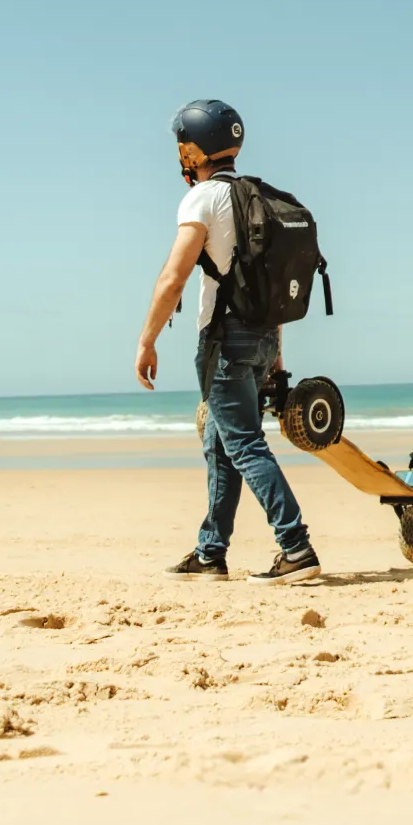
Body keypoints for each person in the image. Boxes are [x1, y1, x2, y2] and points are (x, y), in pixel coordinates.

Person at [132, 100, 317, 580]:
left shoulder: (203, 199)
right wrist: (276, 359)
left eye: (181, 147)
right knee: (221, 445)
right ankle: (210, 553)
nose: (179, 156)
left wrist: (146, 341)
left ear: (194, 149)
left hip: (224, 343)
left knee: (246, 446)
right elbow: (269, 288)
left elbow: (173, 278)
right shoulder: (255, 195)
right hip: (260, 340)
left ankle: (296, 548)